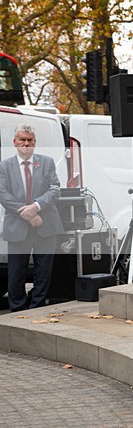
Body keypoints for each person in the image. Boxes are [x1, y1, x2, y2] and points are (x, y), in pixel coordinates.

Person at [0, 124, 63, 311]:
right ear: (15, 142)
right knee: (16, 272)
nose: (26, 144)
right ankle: (17, 309)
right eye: (22, 139)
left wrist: (36, 207)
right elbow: (3, 195)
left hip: (46, 225)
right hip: (18, 226)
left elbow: (55, 189)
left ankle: (37, 306)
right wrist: (28, 215)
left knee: (43, 272)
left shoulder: (47, 163)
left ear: (34, 142)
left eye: (29, 140)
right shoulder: (4, 166)